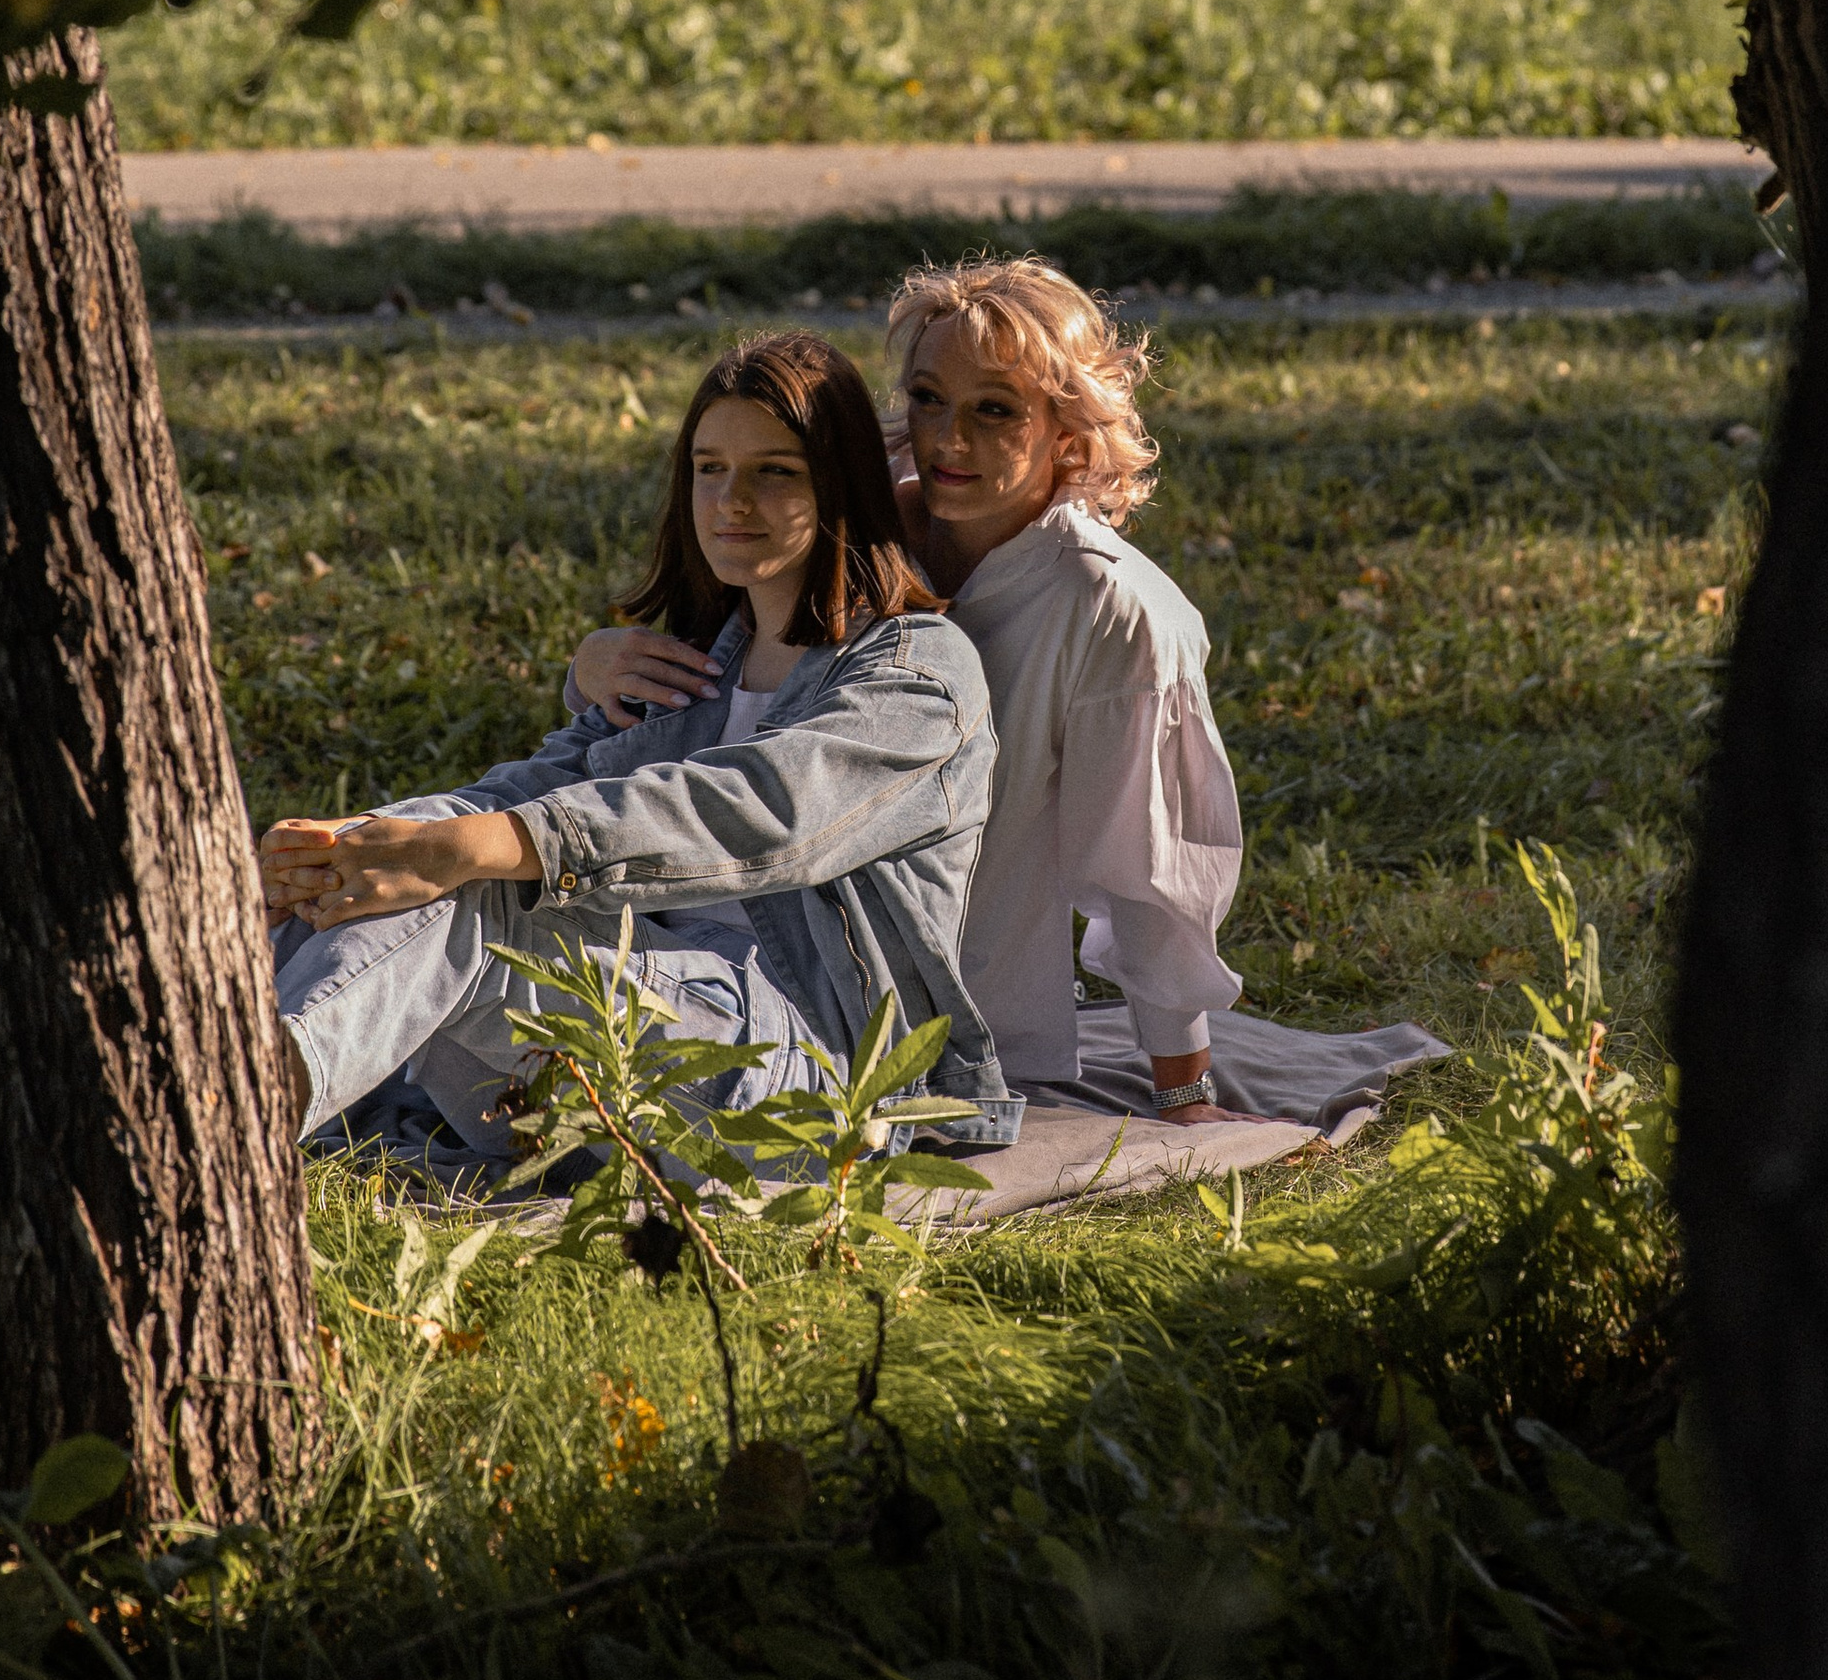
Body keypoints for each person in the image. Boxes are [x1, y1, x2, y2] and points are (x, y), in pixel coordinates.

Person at [262, 330, 1018, 1165]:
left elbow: (761, 813)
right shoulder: (690, 663)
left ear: (839, 486)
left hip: (806, 1088)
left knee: (475, 890)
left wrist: (487, 845)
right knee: (369, 880)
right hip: (616, 1059)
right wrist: (358, 842)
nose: (732, 501)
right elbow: (542, 783)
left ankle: (225, 1133)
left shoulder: (916, 673)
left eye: (775, 471)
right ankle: (193, 1089)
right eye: (709, 468)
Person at [566, 258, 1243, 1119]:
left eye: (994, 410)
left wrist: (1185, 1086)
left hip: (916, 1011)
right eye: (928, 399)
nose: (949, 438)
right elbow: (712, 686)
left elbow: (1150, 863)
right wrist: (592, 667)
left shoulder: (1113, 607)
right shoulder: (857, 527)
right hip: (716, 919)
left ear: (1070, 431)